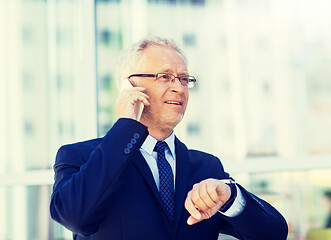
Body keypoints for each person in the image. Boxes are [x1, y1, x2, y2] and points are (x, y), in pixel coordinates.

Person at [50, 36, 288, 240]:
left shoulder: (207, 167)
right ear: (129, 85)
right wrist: (126, 124)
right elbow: (74, 216)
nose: (179, 88)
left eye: (184, 79)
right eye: (165, 76)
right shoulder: (79, 156)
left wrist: (229, 197)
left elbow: (274, 233)